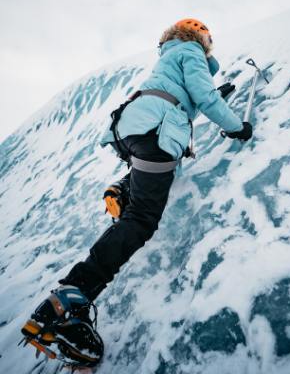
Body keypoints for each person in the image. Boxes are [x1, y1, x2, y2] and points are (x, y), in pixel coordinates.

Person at [20, 18, 253, 367]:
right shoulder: (190, 50)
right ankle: (71, 299)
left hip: (131, 129)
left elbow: (189, 95)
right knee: (142, 219)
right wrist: (237, 127)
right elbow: (202, 95)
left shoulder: (170, 57)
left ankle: (123, 188)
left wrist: (214, 96)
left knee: (154, 174)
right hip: (156, 130)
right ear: (200, 37)